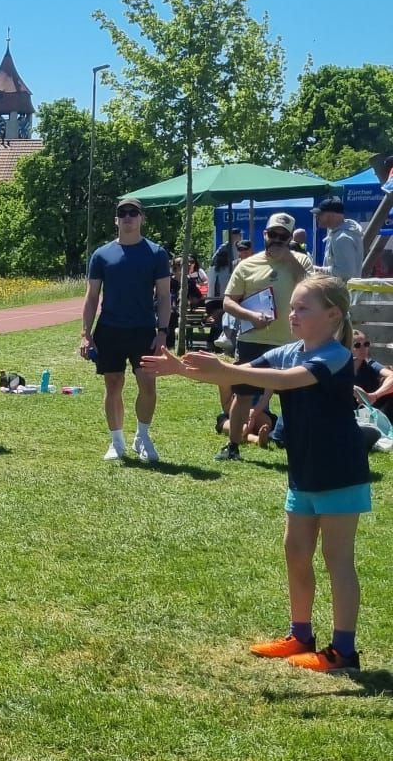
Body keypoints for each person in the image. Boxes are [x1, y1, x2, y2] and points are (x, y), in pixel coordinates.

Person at [144, 275, 370, 673]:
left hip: (340, 470)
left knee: (337, 559)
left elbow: (286, 380)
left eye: (303, 308)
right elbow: (237, 374)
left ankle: (343, 652)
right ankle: (300, 635)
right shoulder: (288, 351)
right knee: (296, 552)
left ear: (333, 314)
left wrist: (224, 368)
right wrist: (181, 369)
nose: (292, 315)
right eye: (292, 307)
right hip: (304, 470)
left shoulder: (335, 355)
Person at [79, 199, 172, 463]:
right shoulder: (101, 255)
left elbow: (164, 296)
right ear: (116, 219)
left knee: (147, 384)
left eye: (133, 213)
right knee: (113, 384)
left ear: (142, 218)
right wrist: (85, 333)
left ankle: (142, 436)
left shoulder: (156, 253)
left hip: (143, 329)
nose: (128, 217)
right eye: (123, 213)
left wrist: (162, 331)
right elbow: (92, 296)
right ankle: (116, 441)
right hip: (110, 329)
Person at [216, 213, 311, 463]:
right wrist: (250, 315)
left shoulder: (301, 261)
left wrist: (290, 259)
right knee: (243, 395)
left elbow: (313, 291)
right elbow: (228, 302)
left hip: (292, 342)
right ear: (264, 234)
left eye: (283, 236)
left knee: (298, 397)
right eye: (273, 234)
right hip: (253, 340)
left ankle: (300, 448)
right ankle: (233, 446)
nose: (277, 240)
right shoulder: (247, 265)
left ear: (290, 239)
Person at [316, 194, 365, 282]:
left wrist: (317, 270)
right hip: (341, 288)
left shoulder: (342, 238)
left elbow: (345, 273)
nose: (317, 217)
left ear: (332, 215)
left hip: (341, 289)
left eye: (320, 214)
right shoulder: (338, 233)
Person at [352, 329, 393, 407]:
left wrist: (374, 396)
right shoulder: (338, 366)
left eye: (366, 344)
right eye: (357, 345)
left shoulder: (370, 364)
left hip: (369, 410)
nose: (363, 348)